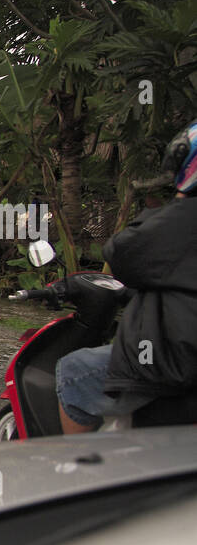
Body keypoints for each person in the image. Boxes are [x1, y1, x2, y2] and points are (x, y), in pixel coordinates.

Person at [56, 118, 197, 433]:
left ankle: (79, 473)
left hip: (173, 362)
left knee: (72, 371)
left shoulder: (181, 219)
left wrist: (179, 201)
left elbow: (120, 253)